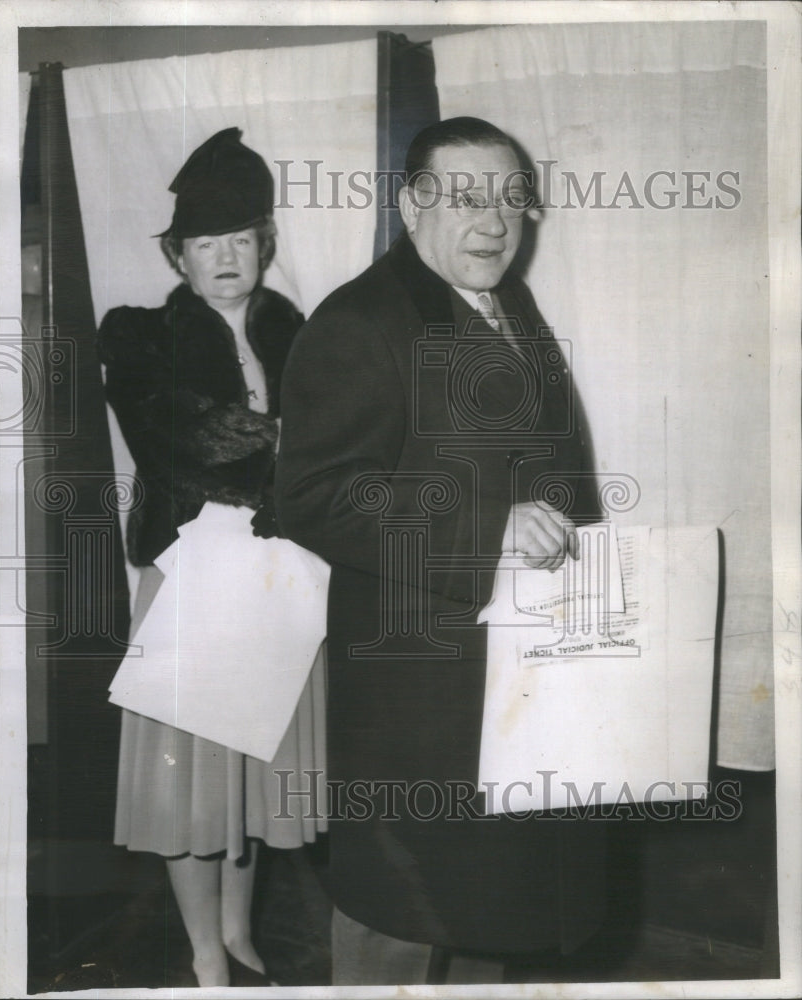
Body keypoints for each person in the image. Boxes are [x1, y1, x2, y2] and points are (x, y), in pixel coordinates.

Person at [275, 117, 606, 985]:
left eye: (509, 199)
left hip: (516, 672)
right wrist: (489, 524)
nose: (494, 222)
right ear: (409, 203)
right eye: (466, 198)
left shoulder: (506, 303)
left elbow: (557, 465)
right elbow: (312, 496)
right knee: (399, 918)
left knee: (491, 908)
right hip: (414, 694)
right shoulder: (356, 321)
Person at [98, 128, 324, 989]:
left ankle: (236, 932)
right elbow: (181, 448)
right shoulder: (137, 335)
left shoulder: (301, 328)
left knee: (248, 767)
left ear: (264, 246)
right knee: (192, 779)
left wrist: (299, 450)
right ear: (178, 256)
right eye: (205, 243)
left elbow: (345, 444)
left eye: (240, 239)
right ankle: (201, 955)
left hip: (277, 576)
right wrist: (295, 443)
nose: (224, 257)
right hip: (189, 581)